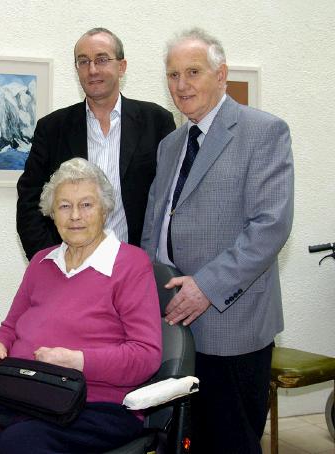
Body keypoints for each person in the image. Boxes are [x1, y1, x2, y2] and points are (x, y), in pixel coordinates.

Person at [0, 157, 162, 453]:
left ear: (105, 209)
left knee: (22, 443)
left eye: (86, 205)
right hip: (26, 396)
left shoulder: (130, 264)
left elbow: (146, 356)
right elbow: (10, 327)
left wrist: (78, 361)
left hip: (96, 404)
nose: (75, 215)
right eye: (64, 206)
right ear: (52, 214)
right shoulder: (41, 262)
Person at [141, 28, 293, 454]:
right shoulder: (171, 144)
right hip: (173, 324)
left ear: (221, 74)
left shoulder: (263, 131)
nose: (181, 84)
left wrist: (205, 287)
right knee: (183, 440)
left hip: (232, 325)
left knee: (232, 442)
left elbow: (270, 226)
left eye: (192, 71)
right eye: (172, 75)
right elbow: (156, 225)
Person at [16, 27, 176, 260]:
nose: (92, 70)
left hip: (135, 266)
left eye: (101, 60)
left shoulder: (156, 122)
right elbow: (29, 202)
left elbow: (170, 200)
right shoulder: (52, 128)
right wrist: (52, 261)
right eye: (83, 62)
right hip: (70, 269)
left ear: (122, 67)